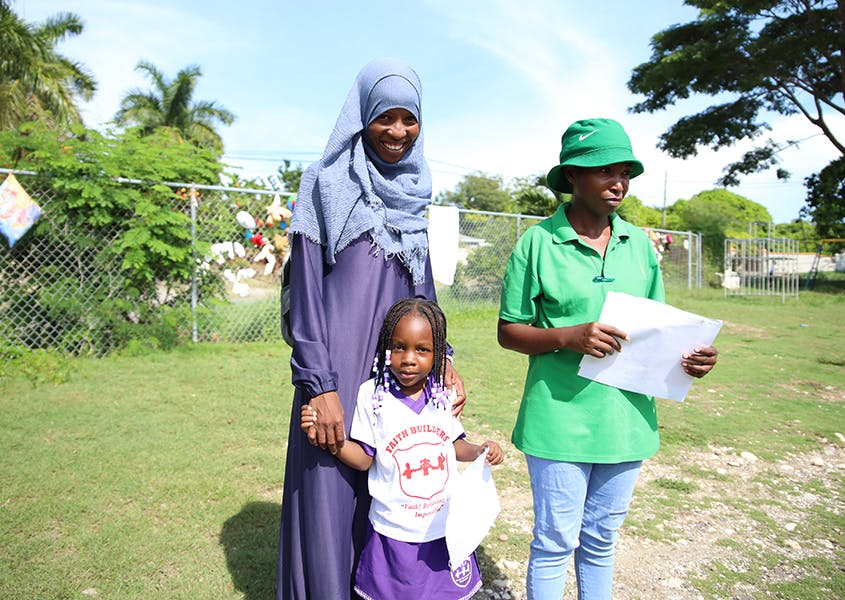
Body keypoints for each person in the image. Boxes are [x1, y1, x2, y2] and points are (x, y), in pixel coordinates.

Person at [496, 118, 718, 600]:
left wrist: (692, 358)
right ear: (573, 175)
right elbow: (508, 332)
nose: (618, 182)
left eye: (625, 172)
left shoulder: (638, 244)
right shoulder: (537, 243)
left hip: (626, 419)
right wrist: (566, 336)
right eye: (603, 170)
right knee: (555, 542)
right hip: (559, 420)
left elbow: (660, 330)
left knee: (600, 541)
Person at [277, 58, 466, 600]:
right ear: (362, 116)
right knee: (331, 498)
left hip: (399, 378)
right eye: (386, 117)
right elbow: (306, 293)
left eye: (411, 119)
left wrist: (445, 363)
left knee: (392, 494)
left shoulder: (415, 192)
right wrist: (321, 385)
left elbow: (423, 290)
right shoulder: (325, 183)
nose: (398, 132)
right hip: (336, 373)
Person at [300, 298, 504, 599]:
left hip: (442, 527)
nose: (409, 358)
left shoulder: (440, 394)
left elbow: (454, 444)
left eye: (421, 350)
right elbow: (363, 459)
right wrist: (329, 439)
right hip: (394, 531)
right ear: (386, 349)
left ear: (438, 354)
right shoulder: (372, 396)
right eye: (399, 347)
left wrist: (480, 450)